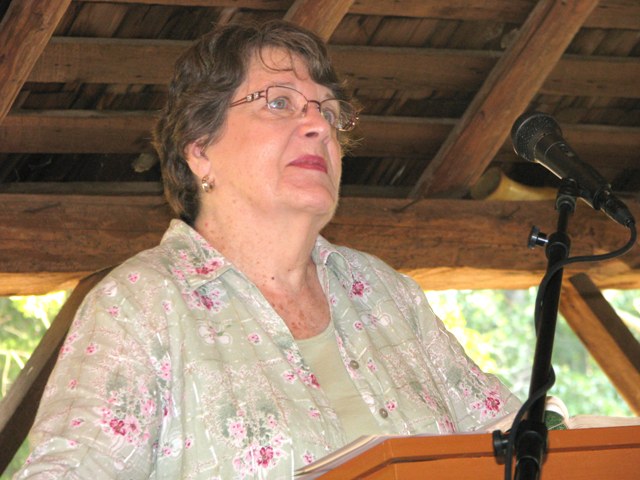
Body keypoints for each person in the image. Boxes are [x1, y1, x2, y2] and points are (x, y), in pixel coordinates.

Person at [15, 20, 520, 479]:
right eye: (279, 103)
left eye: (329, 111)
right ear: (199, 148)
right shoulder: (139, 305)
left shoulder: (384, 292)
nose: (319, 126)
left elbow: (518, 442)